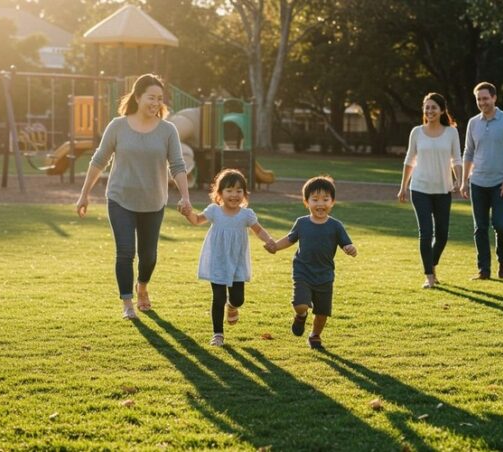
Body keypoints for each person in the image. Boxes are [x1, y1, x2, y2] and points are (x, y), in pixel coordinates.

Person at [75, 73, 192, 320]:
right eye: (151, 97)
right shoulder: (117, 126)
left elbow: (178, 165)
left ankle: (142, 287)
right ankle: (127, 303)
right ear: (138, 97)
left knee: (148, 256)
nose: (155, 103)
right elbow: (99, 160)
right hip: (120, 198)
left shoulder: (168, 130)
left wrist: (185, 197)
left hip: (153, 200)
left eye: (159, 99)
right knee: (125, 252)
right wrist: (84, 194)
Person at [178, 169, 276, 347]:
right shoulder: (214, 211)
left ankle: (232, 307)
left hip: (237, 261)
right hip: (218, 261)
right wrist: (188, 213)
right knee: (218, 297)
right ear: (220, 193)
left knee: (238, 299)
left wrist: (269, 240)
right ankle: (218, 334)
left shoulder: (246, 215)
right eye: (229, 190)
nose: (234, 195)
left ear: (244, 194)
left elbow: (259, 230)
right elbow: (197, 220)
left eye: (239, 191)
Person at [270, 176, 357, 350]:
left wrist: (350, 248)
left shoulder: (336, 226)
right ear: (306, 202)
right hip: (303, 272)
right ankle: (301, 316)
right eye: (315, 199)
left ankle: (315, 335)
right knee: (300, 304)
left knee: (322, 313)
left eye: (325, 199)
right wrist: (275, 246)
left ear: (332, 202)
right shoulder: (301, 223)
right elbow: (290, 239)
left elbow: (346, 243)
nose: (320, 204)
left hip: (324, 275)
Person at [398, 93, 463, 289]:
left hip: (443, 190)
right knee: (425, 233)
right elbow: (410, 160)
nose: (429, 111)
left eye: (433, 107)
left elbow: (457, 159)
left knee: (442, 235)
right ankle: (429, 276)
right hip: (420, 188)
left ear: (442, 110)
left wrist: (460, 180)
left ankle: (432, 264)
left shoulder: (451, 132)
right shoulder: (416, 132)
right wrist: (403, 187)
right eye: (426, 107)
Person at [461, 82, 503, 280]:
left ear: (494, 98)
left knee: (500, 224)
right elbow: (468, 152)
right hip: (477, 182)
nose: (482, 102)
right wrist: (464, 181)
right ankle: (483, 270)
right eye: (479, 99)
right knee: (480, 228)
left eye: (485, 98)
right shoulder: (473, 123)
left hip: (500, 183)